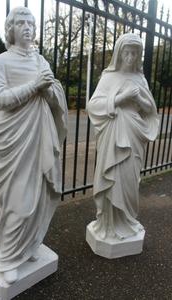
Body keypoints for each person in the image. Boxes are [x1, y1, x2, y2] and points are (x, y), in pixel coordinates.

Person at [0, 7, 67, 284]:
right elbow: (0, 98)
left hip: (39, 135)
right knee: (17, 201)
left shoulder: (41, 61)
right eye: (20, 22)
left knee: (39, 194)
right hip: (13, 139)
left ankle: (29, 245)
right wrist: (35, 86)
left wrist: (48, 89)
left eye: (30, 23)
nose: (27, 27)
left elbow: (56, 98)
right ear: (10, 28)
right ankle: (7, 255)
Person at [87, 33, 159, 242]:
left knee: (129, 179)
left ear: (138, 56)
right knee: (111, 178)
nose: (130, 57)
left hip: (134, 134)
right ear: (119, 54)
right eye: (127, 52)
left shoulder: (140, 79)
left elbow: (149, 110)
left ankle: (126, 221)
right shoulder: (108, 77)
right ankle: (108, 225)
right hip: (113, 134)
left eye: (134, 53)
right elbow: (93, 105)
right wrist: (122, 98)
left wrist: (138, 98)